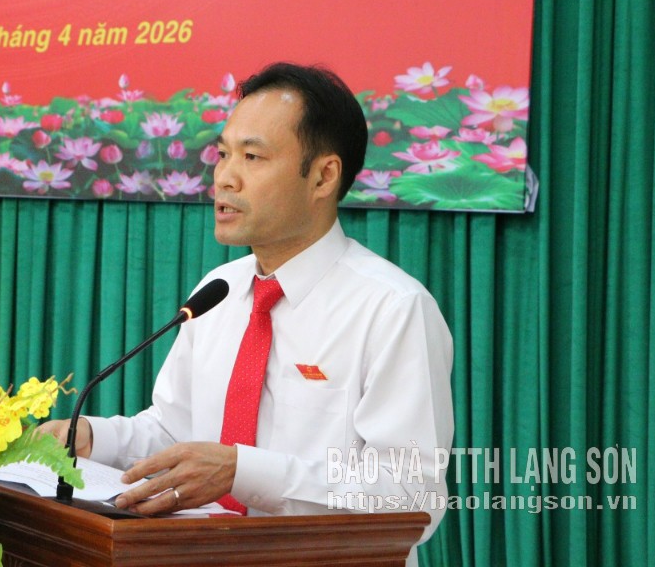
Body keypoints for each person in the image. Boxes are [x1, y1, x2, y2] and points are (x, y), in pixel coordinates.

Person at [38, 62, 453, 563]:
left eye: (252, 157)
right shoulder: (218, 291)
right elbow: (176, 433)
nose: (225, 178)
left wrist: (243, 472)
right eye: (222, 154)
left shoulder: (392, 308)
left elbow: (411, 494)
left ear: (324, 176)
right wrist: (91, 437)